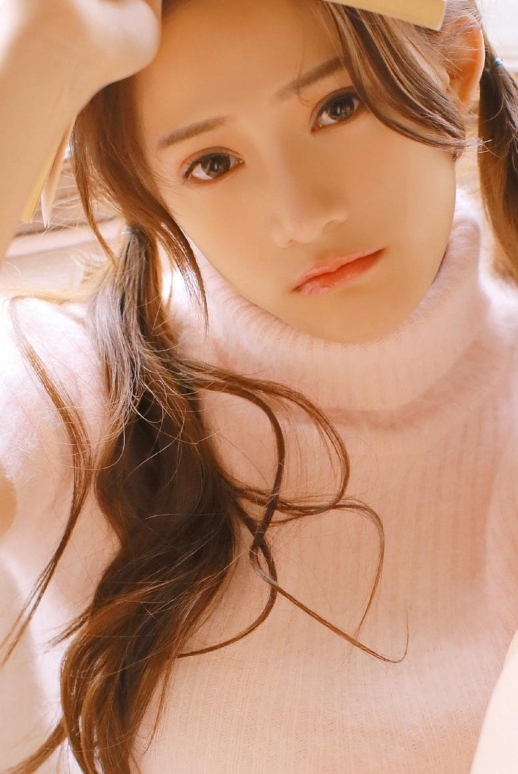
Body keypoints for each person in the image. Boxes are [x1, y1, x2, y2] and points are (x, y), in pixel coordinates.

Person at [1, 0, 518, 772]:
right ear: (151, 192)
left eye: (338, 107)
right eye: (212, 163)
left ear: (455, 69)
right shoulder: (79, 398)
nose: (303, 216)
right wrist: (32, 69)